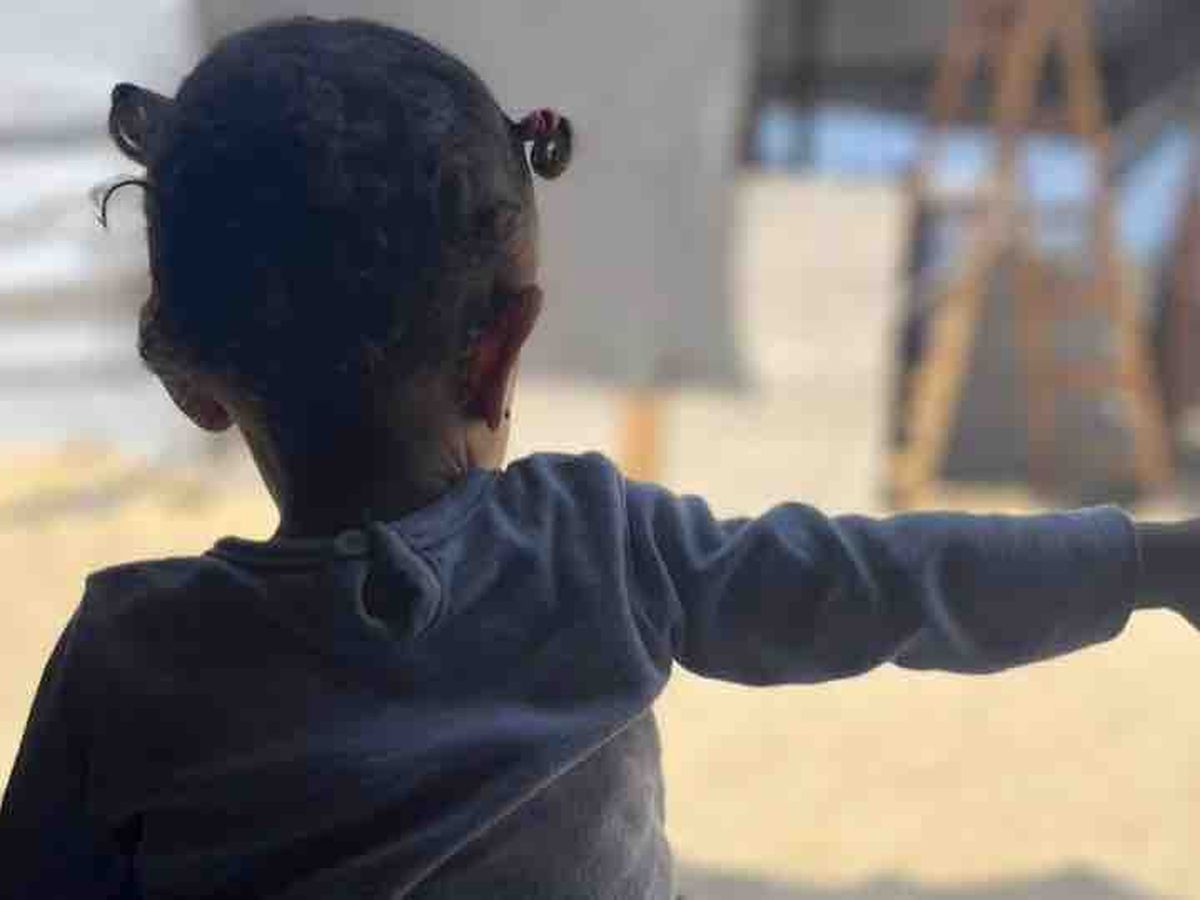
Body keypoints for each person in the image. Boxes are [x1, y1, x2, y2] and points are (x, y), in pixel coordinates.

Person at [0, 18, 1196, 900]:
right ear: (500, 352)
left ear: (191, 377)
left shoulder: (132, 663)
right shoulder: (595, 549)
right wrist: (1144, 563)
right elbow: (880, 583)